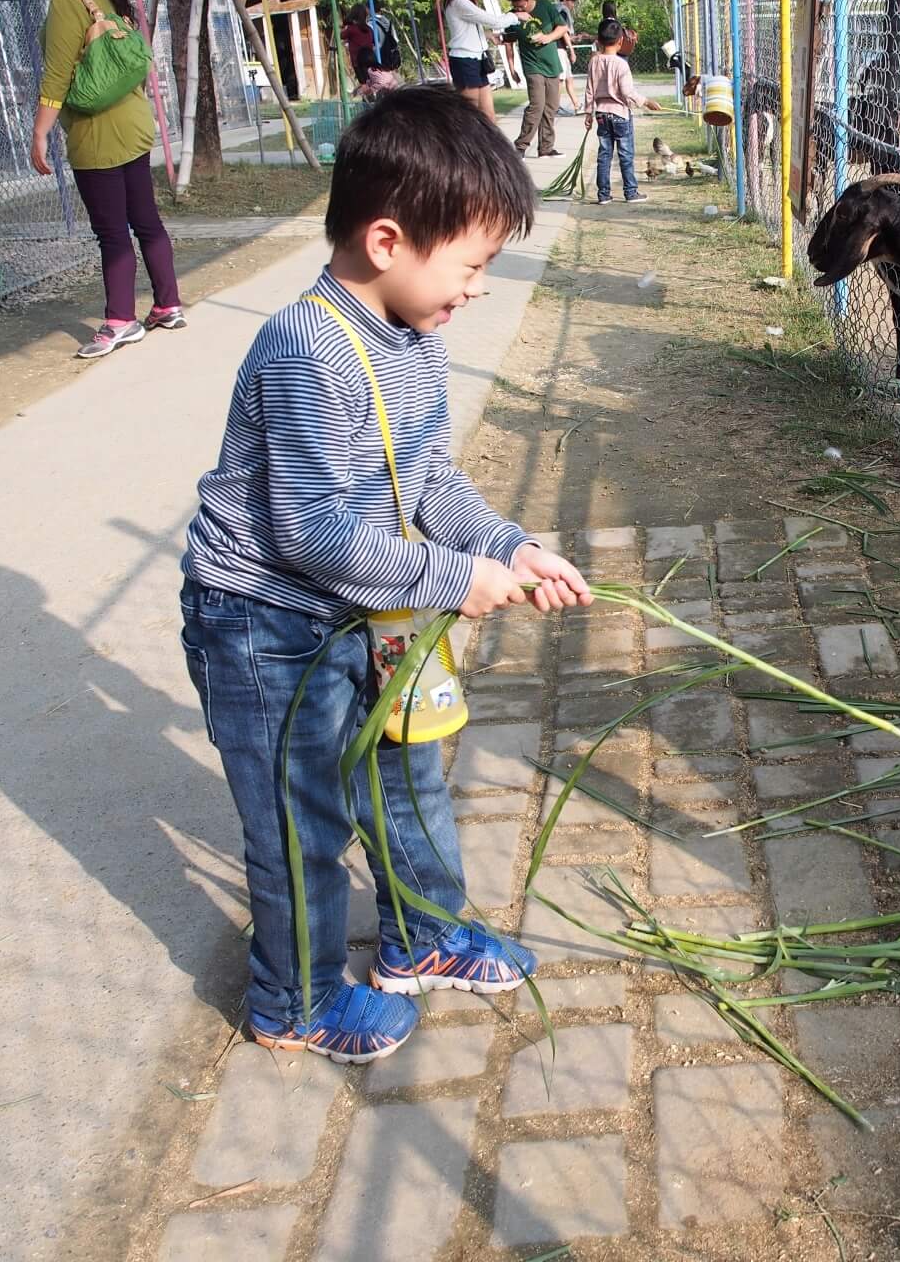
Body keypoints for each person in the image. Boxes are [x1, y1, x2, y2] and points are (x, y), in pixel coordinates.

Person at [179, 86, 592, 1061]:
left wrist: (508, 548)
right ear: (386, 241)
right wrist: (454, 578)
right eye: (472, 263)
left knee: (406, 780)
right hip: (264, 622)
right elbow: (316, 532)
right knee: (302, 821)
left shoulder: (416, 342)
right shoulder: (307, 347)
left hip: (363, 607)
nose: (479, 287)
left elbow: (434, 481)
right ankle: (296, 1002)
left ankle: (425, 940)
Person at [31, 0, 185, 361]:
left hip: (97, 136)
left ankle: (121, 319)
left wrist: (40, 132)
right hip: (133, 125)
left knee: (112, 232)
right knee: (146, 220)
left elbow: (57, 75)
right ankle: (168, 303)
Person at [584, 18, 661, 204]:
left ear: (599, 41)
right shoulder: (621, 64)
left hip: (601, 114)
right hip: (620, 115)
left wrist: (588, 113)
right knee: (625, 154)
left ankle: (603, 194)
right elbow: (627, 92)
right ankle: (631, 192)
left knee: (604, 154)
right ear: (620, 42)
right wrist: (646, 102)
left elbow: (589, 89)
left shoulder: (594, 62)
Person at [442, 0, 511, 122]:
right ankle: (462, 148)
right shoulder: (459, 1)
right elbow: (495, 21)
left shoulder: (465, 0)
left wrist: (487, 35)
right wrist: (516, 16)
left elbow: (467, 30)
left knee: (489, 116)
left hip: (477, 59)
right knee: (469, 116)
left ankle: (493, 148)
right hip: (465, 60)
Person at [503, 0, 568, 159]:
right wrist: (511, 68)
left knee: (551, 106)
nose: (518, 9)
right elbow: (508, 43)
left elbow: (562, 27)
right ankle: (520, 147)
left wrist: (548, 38)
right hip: (532, 66)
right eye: (515, 6)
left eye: (521, 5)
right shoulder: (512, 17)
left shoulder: (545, 6)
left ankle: (546, 148)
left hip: (552, 64)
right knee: (537, 105)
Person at [555, 0, 583, 116]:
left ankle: (577, 105)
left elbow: (565, 35)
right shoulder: (562, 11)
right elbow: (563, 32)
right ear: (565, 0)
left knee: (569, 78)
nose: (572, 5)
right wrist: (572, 51)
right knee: (560, 80)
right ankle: (554, 106)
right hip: (558, 49)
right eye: (571, 2)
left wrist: (574, 39)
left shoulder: (559, 11)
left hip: (562, 48)